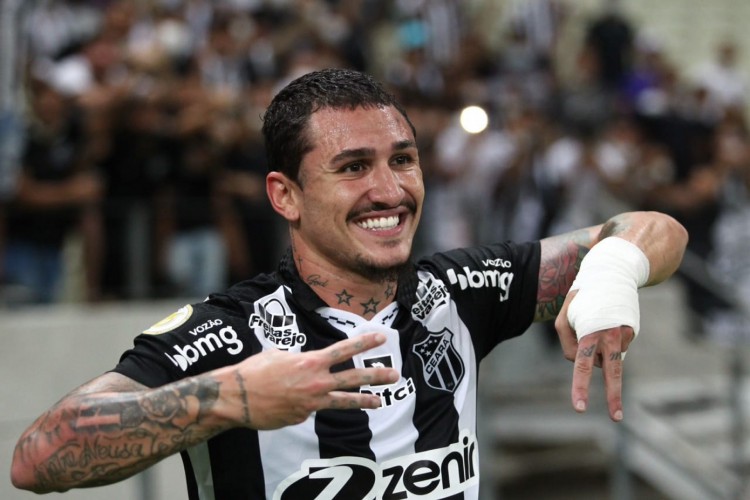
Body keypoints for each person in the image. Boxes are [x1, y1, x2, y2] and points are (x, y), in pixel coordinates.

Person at [11, 68, 687, 499]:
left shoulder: (461, 290)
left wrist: (611, 272)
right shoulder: (230, 331)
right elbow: (38, 457)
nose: (389, 190)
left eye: (403, 160)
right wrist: (230, 398)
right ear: (285, 195)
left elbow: (653, 229)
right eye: (353, 167)